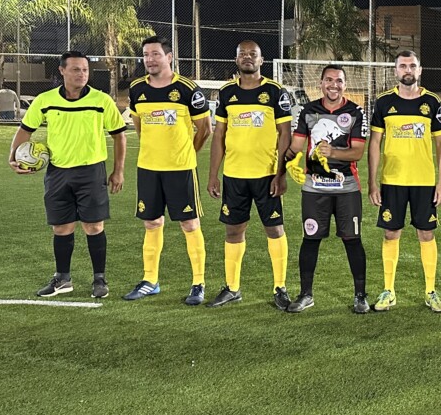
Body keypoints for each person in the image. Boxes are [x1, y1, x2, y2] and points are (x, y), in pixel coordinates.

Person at [9, 51, 126, 298]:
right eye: (75, 69)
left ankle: (99, 279)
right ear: (62, 71)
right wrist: (13, 157)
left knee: (94, 226)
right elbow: (25, 130)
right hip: (58, 172)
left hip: (91, 171)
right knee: (61, 228)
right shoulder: (46, 100)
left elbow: (119, 135)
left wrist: (118, 171)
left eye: (85, 70)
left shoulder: (101, 100)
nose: (81, 74)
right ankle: (63, 279)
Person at [123, 36, 211, 304]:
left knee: (189, 223)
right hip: (148, 168)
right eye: (146, 55)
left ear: (169, 57)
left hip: (180, 169)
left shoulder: (187, 89)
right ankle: (150, 280)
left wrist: (187, 153)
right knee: (151, 222)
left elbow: (204, 129)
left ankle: (198, 283)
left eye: (155, 54)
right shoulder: (137, 89)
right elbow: (139, 126)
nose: (149, 59)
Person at [205, 41, 293, 309]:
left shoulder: (275, 92)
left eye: (252, 54)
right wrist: (213, 175)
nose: (247, 57)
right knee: (233, 230)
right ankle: (232, 287)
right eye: (242, 54)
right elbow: (219, 135)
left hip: (266, 175)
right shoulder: (226, 93)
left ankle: (280, 287)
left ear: (261, 60)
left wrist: (280, 173)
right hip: (234, 176)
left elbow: (285, 134)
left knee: (274, 229)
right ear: (236, 60)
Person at [283, 64, 371, 314]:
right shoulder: (308, 111)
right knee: (310, 239)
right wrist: (284, 165)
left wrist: (333, 152)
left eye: (339, 81)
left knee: (352, 240)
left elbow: (358, 152)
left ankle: (360, 296)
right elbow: (296, 146)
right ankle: (306, 294)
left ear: (345, 85)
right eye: (329, 80)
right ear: (321, 83)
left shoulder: (355, 112)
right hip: (315, 188)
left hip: (347, 187)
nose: (334, 85)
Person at [367, 50, 441, 313]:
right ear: (395, 71)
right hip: (392, 180)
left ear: (419, 70)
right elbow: (375, 143)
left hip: (424, 181)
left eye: (412, 65)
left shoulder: (432, 102)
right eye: (403, 66)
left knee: (426, 233)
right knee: (391, 233)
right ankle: (388, 291)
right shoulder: (383, 102)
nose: (408, 70)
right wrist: (372, 183)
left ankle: (430, 291)